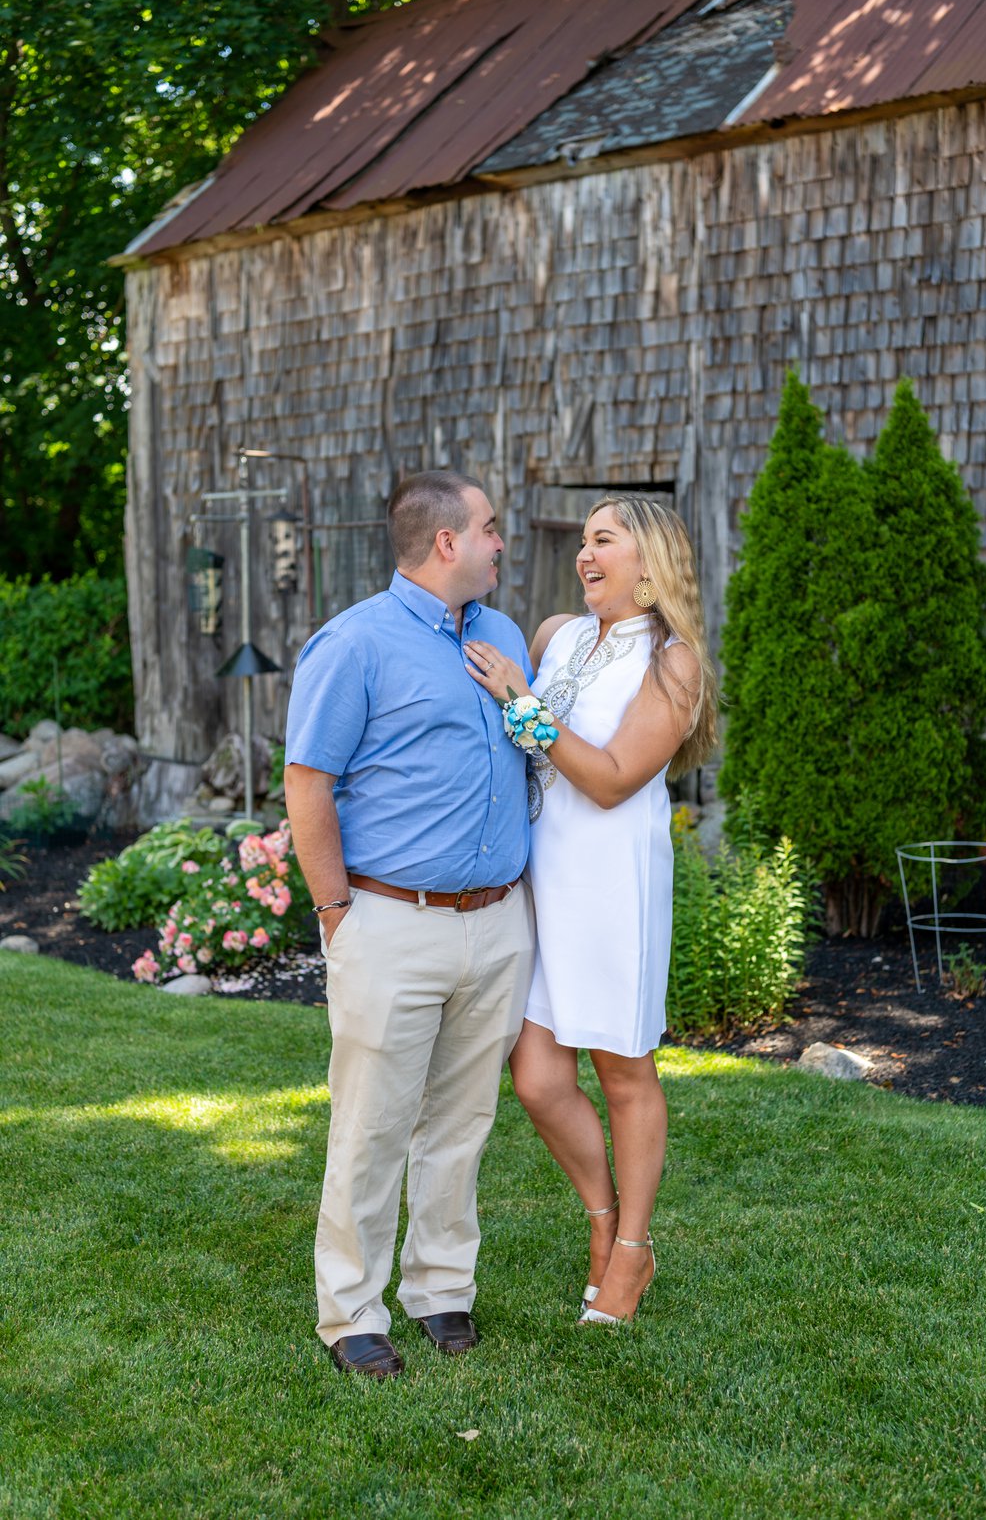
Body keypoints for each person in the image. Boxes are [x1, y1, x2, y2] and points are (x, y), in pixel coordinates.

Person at [284, 470, 534, 1379]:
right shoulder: (353, 643)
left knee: (463, 1119)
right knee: (373, 1122)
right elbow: (308, 783)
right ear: (446, 543)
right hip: (389, 920)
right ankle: (351, 1309)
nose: (502, 543)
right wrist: (335, 914)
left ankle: (441, 1289)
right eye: (491, 528)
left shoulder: (504, 636)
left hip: (499, 921)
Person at [464, 496, 717, 1324]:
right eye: (583, 540)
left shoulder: (672, 662)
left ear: (651, 561)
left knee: (624, 1074)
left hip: (611, 889)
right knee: (536, 1078)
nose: (585, 553)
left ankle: (632, 1254)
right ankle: (604, 1221)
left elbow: (611, 779)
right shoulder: (555, 634)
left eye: (604, 539)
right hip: (541, 881)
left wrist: (518, 702)